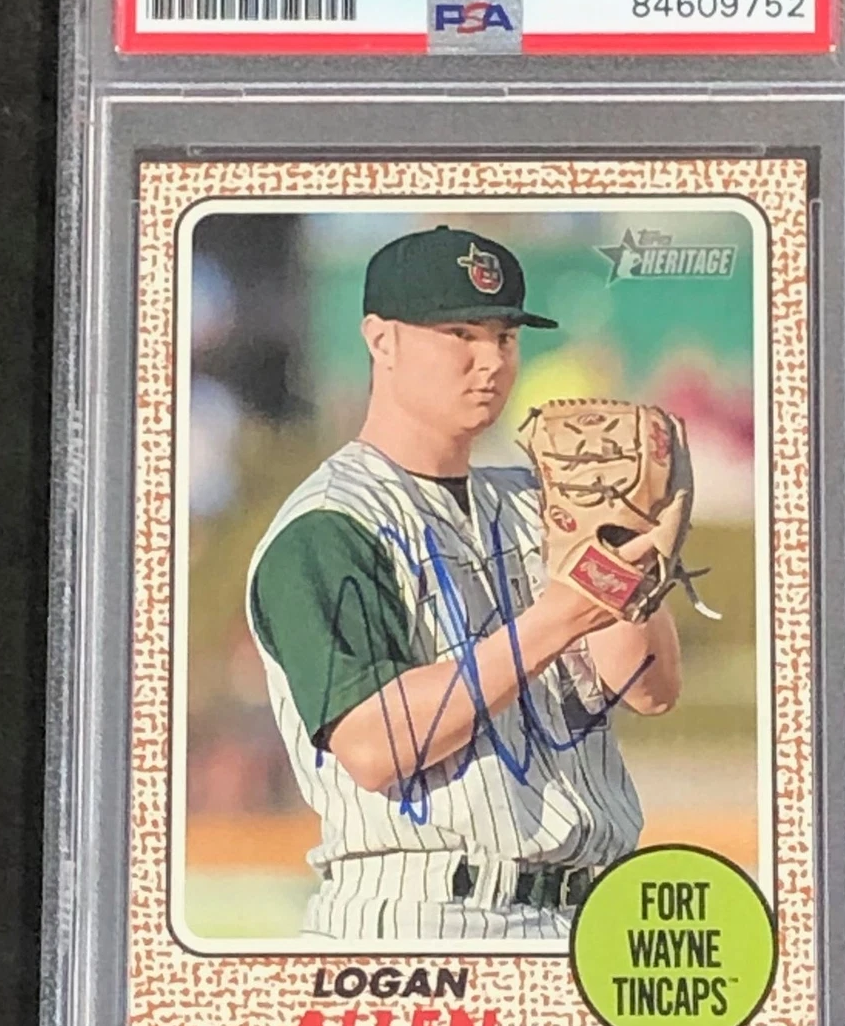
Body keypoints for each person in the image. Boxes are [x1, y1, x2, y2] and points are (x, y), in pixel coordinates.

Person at [244, 226, 682, 941]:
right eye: (460, 334)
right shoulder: (330, 525)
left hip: (587, 916)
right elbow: (376, 745)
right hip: (421, 922)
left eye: (505, 337)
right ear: (381, 340)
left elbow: (650, 690)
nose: (491, 361)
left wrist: (619, 545)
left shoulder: (538, 502)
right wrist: (559, 618)